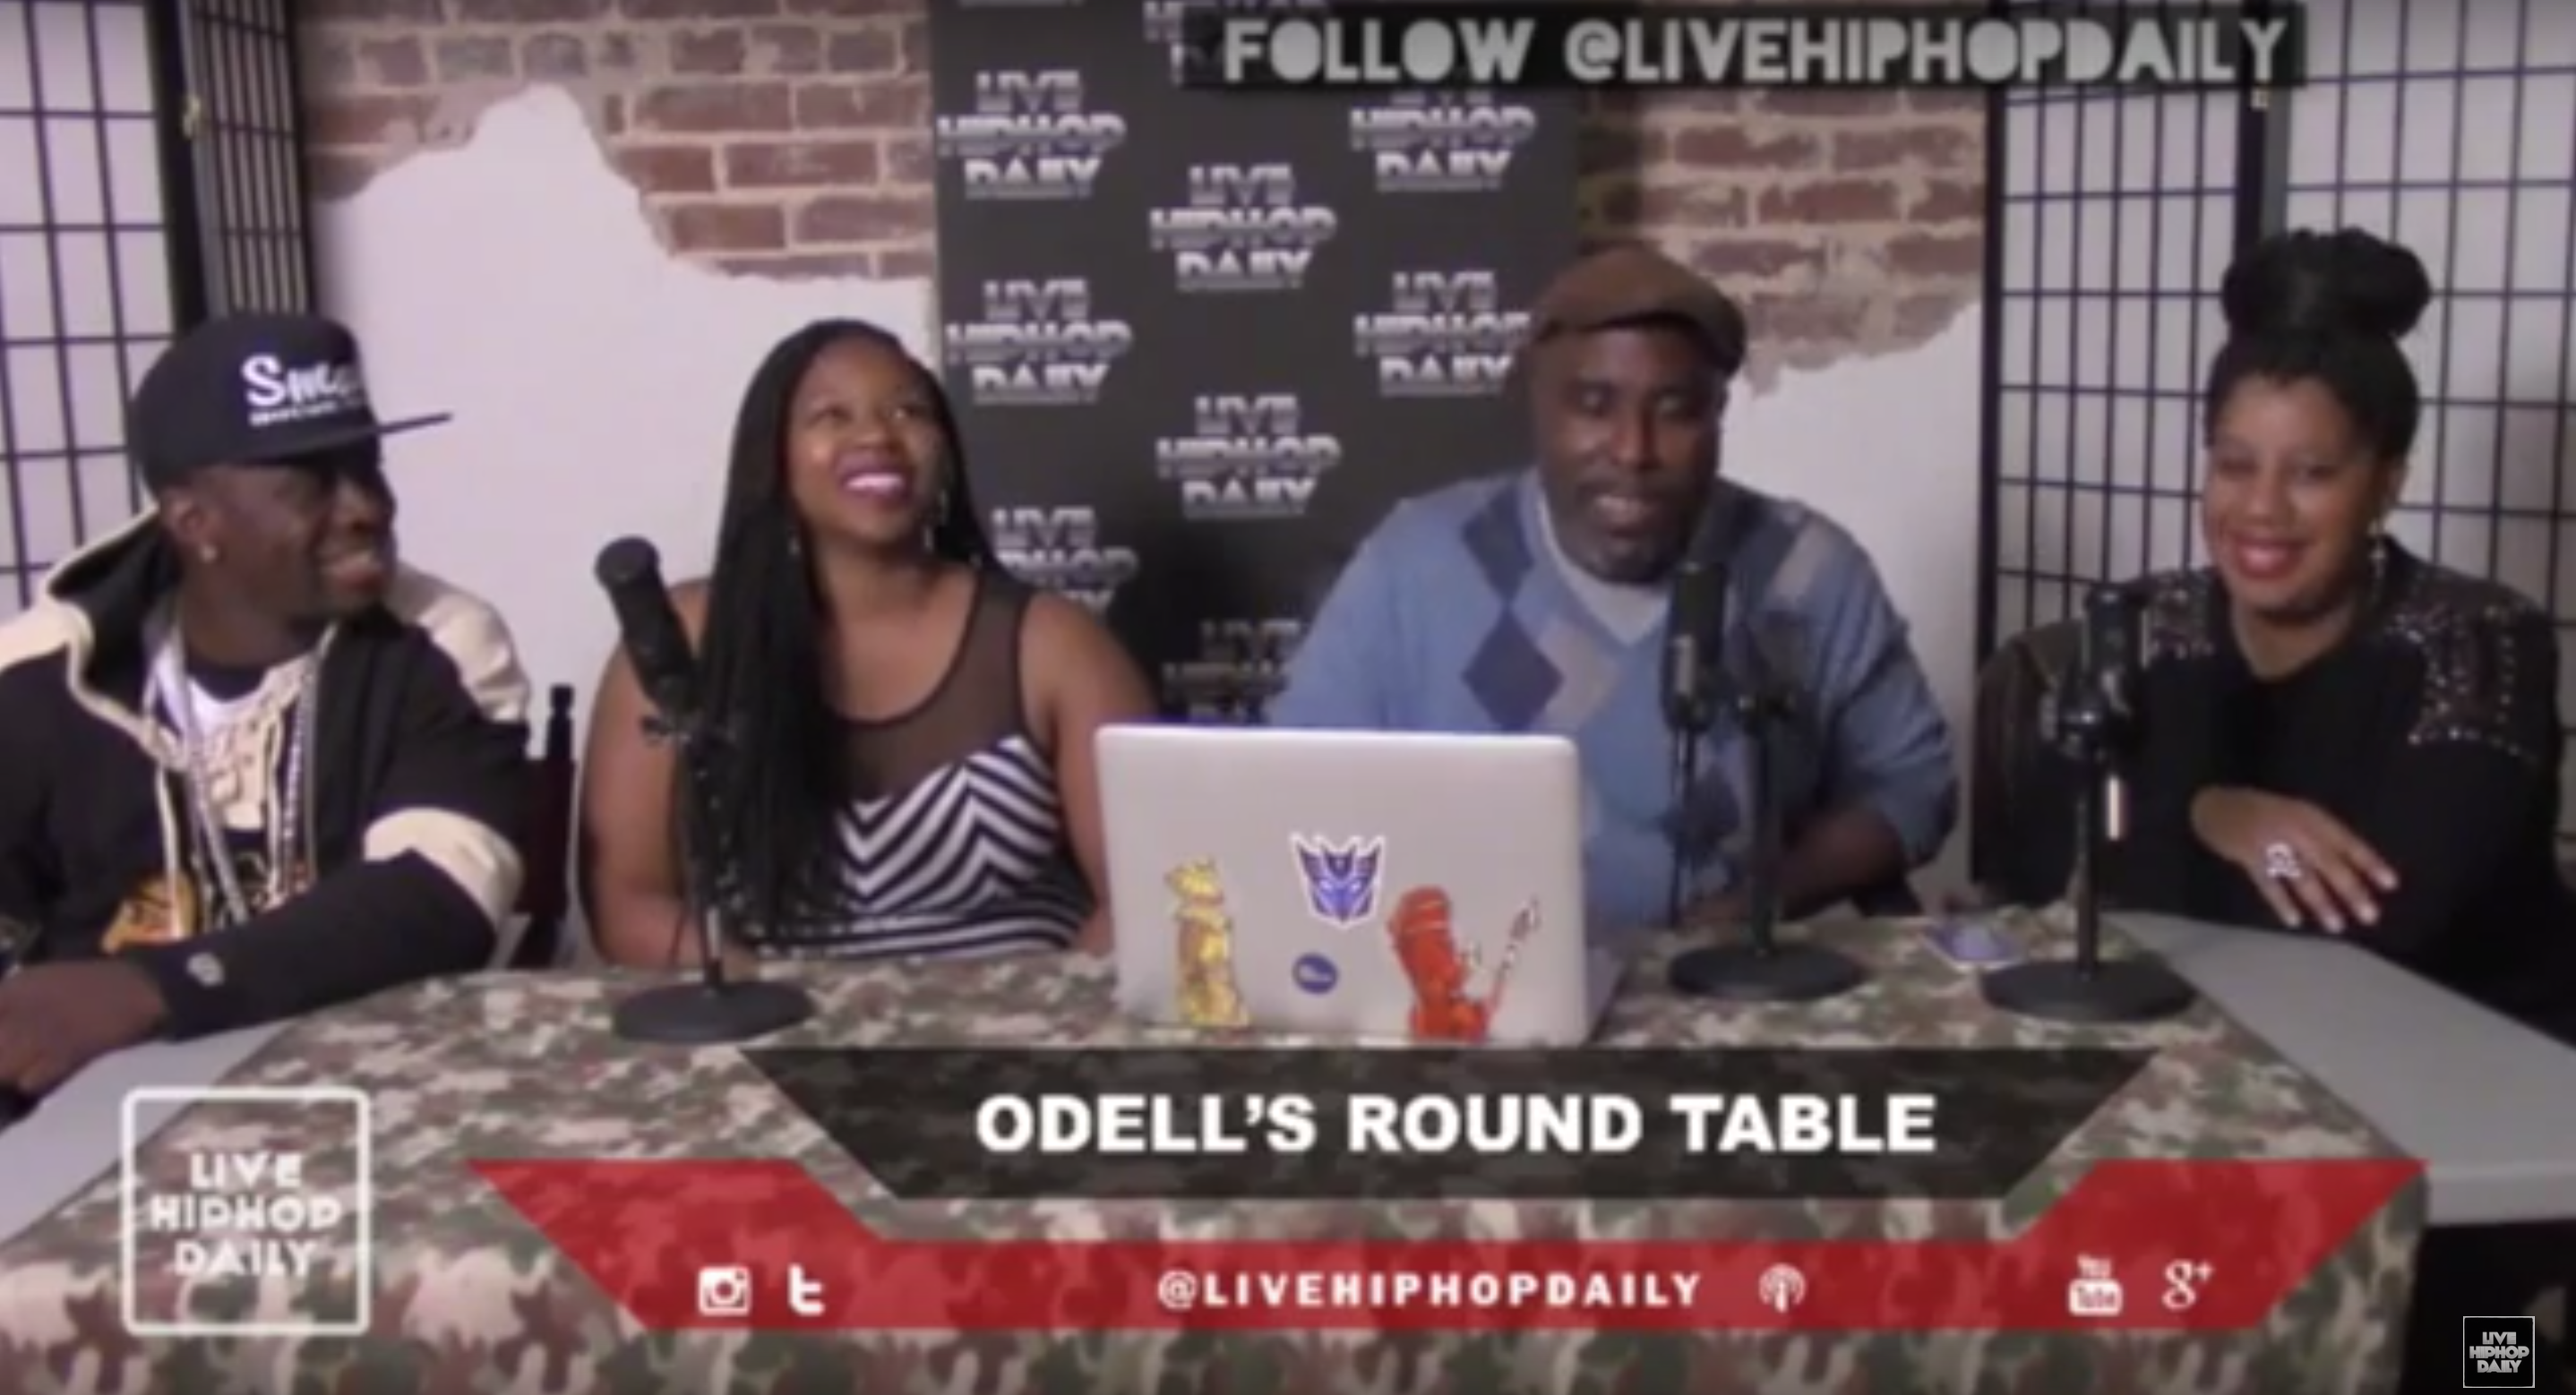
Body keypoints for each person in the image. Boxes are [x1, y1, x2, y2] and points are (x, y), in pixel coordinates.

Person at [2096, 227, 2576, 1394]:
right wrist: (2213, 809)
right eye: (2233, 463)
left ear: (2386, 480)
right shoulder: (2152, 625)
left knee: (2476, 1367)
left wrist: (2156, 833)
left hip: (2477, 1109)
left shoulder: (2478, 639)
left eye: (2311, 472)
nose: (2260, 509)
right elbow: (2067, 870)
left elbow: (2383, 922)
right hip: (2228, 1090)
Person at [1270, 244, 1957, 933]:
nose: (1633, 451)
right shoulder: (1416, 565)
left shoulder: (1807, 574)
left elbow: (1914, 784)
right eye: (1593, 406)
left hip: (1721, 978)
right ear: (1535, 405)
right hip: (1474, 976)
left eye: (1676, 410)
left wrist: (1762, 902)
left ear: (1717, 415)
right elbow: (1292, 790)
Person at [0, 312, 532, 1096]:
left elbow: (439, 896)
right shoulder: (40, 676)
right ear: (195, 521)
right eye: (310, 484)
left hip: (374, 1085)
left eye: (367, 466)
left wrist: (152, 988)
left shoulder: (442, 647)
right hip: (95, 1100)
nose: (365, 507)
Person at [580, 320, 1154, 966]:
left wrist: (1038, 1011)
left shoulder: (1051, 642)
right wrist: (775, 1000)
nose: (878, 435)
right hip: (775, 1015)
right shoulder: (683, 644)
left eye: (908, 411)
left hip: (1020, 1016)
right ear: (773, 459)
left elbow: (1144, 894)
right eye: (831, 415)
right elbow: (628, 903)